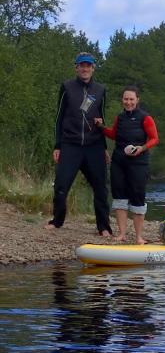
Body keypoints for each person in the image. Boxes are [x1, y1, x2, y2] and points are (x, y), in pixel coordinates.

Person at [46, 52, 113, 236]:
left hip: (94, 146)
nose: (85, 69)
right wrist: (57, 145)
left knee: (100, 187)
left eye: (88, 66)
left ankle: (104, 227)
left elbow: (102, 120)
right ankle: (57, 221)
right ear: (76, 68)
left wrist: (105, 147)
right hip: (70, 144)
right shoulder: (67, 86)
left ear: (93, 68)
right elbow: (59, 118)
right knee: (61, 185)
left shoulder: (100, 90)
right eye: (82, 66)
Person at [95, 86, 159, 244]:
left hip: (139, 162)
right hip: (119, 161)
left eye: (131, 99)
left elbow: (154, 139)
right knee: (119, 197)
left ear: (137, 100)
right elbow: (114, 134)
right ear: (122, 100)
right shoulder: (120, 117)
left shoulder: (145, 118)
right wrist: (101, 127)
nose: (128, 102)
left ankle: (138, 237)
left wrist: (141, 148)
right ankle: (122, 234)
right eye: (125, 99)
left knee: (137, 196)